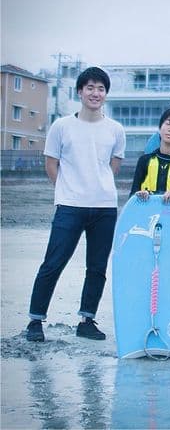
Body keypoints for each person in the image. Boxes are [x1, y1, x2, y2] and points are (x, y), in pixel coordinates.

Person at [25, 67, 127, 342]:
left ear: (105, 94)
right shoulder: (62, 126)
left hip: (104, 208)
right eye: (90, 87)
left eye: (101, 88)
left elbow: (113, 166)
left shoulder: (115, 129)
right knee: (53, 262)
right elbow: (51, 164)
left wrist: (95, 187)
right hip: (69, 205)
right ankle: (35, 321)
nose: (95, 93)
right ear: (80, 91)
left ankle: (87, 320)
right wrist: (68, 190)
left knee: (97, 267)